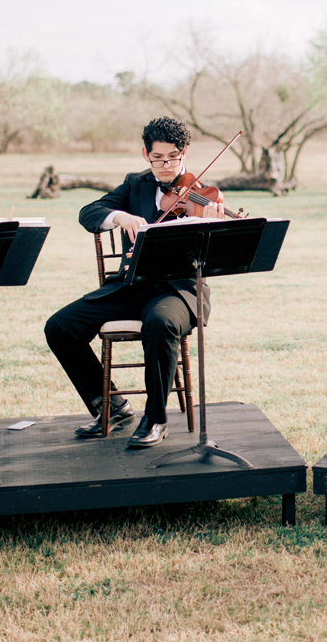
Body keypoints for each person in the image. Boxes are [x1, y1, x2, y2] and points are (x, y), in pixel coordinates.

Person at [44, 116, 225, 448]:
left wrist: (213, 227)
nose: (166, 165)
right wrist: (119, 216)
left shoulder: (205, 197)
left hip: (177, 292)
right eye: (158, 158)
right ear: (146, 154)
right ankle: (110, 406)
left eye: (173, 157)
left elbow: (215, 256)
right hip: (131, 286)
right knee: (59, 327)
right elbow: (89, 212)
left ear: (184, 152)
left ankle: (155, 418)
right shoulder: (134, 185)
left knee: (159, 324)